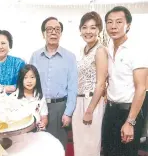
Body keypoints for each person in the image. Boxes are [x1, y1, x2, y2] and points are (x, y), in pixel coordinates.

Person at [102, 6, 148, 156]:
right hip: (110, 111)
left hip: (129, 112)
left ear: (128, 25)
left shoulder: (136, 50)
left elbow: (141, 88)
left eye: (119, 22)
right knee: (108, 152)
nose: (113, 26)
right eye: (109, 22)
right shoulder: (107, 49)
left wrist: (130, 122)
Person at [30, 17, 78, 149]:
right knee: (38, 146)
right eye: (49, 29)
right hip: (39, 107)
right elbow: (29, 82)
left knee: (58, 147)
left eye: (57, 30)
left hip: (59, 108)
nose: (53, 32)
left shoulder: (70, 57)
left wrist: (68, 113)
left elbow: (73, 87)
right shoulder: (35, 56)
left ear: (61, 34)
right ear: (43, 33)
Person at [71, 11, 108, 156]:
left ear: (99, 30)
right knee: (79, 146)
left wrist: (89, 110)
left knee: (91, 147)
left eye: (93, 27)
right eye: (85, 27)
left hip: (92, 102)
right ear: (80, 30)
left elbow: (101, 84)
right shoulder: (83, 50)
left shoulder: (100, 50)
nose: (88, 31)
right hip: (79, 101)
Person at [10, 64, 48, 131]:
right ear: (21, 80)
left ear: (37, 79)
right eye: (25, 77)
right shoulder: (13, 97)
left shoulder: (40, 97)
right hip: (18, 134)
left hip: (36, 133)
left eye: (32, 77)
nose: (29, 81)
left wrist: (43, 123)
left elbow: (44, 117)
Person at [0, 29, 25, 94]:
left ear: (9, 44)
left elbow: (24, 85)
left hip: (13, 102)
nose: (0, 47)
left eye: (3, 43)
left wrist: (1, 88)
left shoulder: (18, 63)